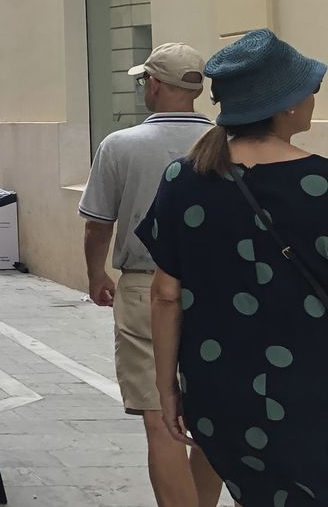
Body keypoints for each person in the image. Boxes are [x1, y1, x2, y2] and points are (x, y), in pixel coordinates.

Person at [135, 30, 328, 506]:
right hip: (313, 384)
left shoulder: (184, 178)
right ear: (284, 105)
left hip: (217, 384)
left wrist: (167, 388)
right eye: (309, 88)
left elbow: (164, 294)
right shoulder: (321, 183)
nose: (312, 97)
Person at [76, 43, 220, 507]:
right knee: (212, 414)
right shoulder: (225, 143)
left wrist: (96, 274)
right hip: (217, 289)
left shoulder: (120, 145)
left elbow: (99, 223)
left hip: (144, 285)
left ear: (155, 85)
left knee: (159, 419)